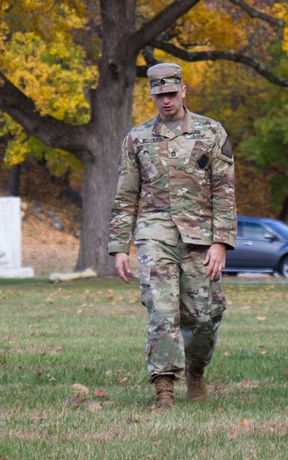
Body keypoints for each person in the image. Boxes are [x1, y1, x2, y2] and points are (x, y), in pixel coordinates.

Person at [108, 62, 236, 411]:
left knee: (205, 316)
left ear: (183, 90)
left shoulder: (211, 132)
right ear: (151, 94)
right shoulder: (137, 138)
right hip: (155, 234)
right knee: (161, 311)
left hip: (201, 237)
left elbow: (224, 191)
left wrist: (221, 242)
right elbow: (125, 196)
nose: (165, 100)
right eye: (158, 94)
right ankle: (164, 389)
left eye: (170, 93)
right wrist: (120, 247)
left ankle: (196, 370)